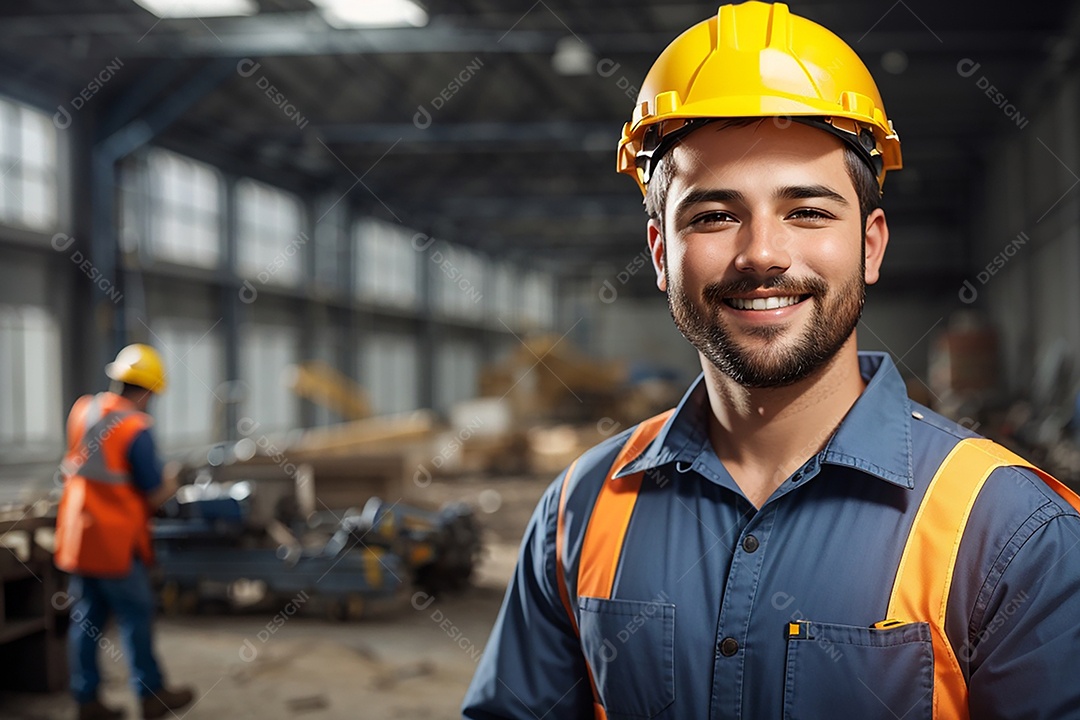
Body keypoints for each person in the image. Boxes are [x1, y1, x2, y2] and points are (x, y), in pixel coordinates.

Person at [462, 2, 1080, 718]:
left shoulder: (1012, 530)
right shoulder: (578, 511)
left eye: (807, 212)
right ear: (662, 252)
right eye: (714, 215)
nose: (761, 254)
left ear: (871, 245)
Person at [55, 343, 194, 720]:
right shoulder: (136, 427)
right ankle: (151, 695)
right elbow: (151, 494)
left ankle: (86, 701)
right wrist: (174, 480)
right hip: (116, 542)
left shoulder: (83, 410)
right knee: (137, 615)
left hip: (78, 536)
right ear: (148, 391)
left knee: (86, 617)